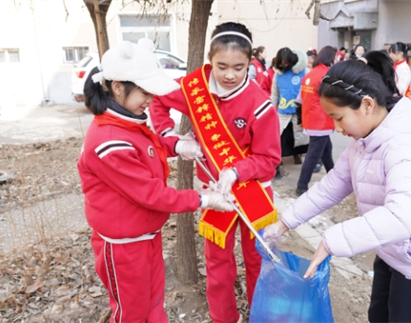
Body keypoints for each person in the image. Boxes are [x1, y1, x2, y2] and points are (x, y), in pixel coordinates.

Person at [264, 51, 411, 323]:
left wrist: (331, 239)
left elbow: (402, 216)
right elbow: (331, 186)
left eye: (339, 117)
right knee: (378, 316)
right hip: (393, 248)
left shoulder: (407, 145)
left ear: (367, 104)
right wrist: (284, 223)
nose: (336, 128)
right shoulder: (365, 139)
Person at [77, 41, 234, 323]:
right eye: (144, 92)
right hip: (124, 244)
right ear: (117, 87)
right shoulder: (108, 142)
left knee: (153, 305)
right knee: (132, 314)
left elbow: (146, 144)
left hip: (145, 234)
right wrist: (203, 199)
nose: (150, 100)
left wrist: (175, 146)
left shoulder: (128, 119)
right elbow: (152, 194)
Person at [150, 22, 281, 323]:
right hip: (215, 193)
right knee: (218, 264)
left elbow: (269, 159)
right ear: (210, 60)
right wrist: (174, 139)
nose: (230, 75)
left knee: (257, 260)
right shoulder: (194, 90)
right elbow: (157, 98)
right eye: (222, 66)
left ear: (251, 62)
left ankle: (261, 315)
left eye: (239, 66)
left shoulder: (259, 105)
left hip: (253, 192)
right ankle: (225, 318)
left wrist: (236, 170)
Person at [295, 46, 337, 196]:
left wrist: (301, 119)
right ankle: (301, 186)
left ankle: (334, 178)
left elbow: (299, 101)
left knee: (326, 150)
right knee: (313, 155)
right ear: (330, 58)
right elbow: (333, 99)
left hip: (311, 119)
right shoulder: (326, 75)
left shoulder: (309, 75)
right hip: (321, 121)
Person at [271, 47, 308, 170]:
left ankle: (296, 155)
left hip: (299, 111)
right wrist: (271, 109)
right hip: (283, 111)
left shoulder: (304, 72)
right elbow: (275, 93)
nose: (284, 65)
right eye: (281, 63)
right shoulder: (278, 75)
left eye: (286, 62)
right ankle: (278, 159)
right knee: (280, 137)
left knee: (297, 137)